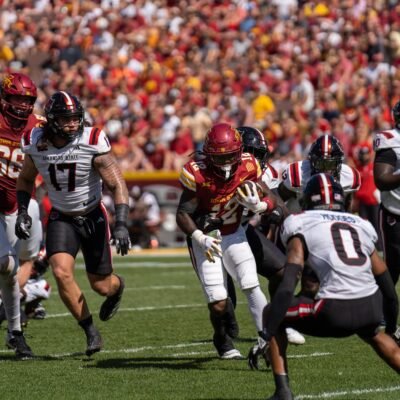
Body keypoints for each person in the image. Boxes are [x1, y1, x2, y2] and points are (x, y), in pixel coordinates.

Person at [249, 174, 400, 400]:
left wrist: (266, 333)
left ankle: (282, 391)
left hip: (333, 310)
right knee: (374, 334)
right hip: (370, 306)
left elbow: (288, 284)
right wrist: (391, 327)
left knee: (271, 312)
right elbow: (388, 289)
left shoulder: (299, 222)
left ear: (307, 200)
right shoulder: (361, 225)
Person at [15, 91, 131, 356]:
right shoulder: (35, 141)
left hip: (92, 215)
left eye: (76, 118)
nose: (73, 124)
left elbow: (117, 184)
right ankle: (90, 331)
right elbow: (25, 179)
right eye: (66, 119)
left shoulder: (91, 139)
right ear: (52, 120)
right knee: (60, 272)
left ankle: (117, 287)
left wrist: (122, 223)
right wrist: (22, 211)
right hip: (61, 217)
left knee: (101, 285)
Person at [176, 122, 276, 359]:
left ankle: (267, 339)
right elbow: (182, 213)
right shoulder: (197, 172)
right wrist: (199, 237)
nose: (225, 163)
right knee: (218, 301)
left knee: (251, 283)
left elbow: (270, 196)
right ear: (208, 155)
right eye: (219, 158)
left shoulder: (249, 165)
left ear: (239, 152)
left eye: (230, 156)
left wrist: (260, 205)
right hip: (207, 237)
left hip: (234, 233)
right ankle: (221, 339)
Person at [0, 72, 46, 358]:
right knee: (6, 265)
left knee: (10, 268)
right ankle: (15, 331)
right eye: (18, 99)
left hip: (15, 203)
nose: (24, 106)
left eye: (28, 100)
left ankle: (15, 332)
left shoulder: (39, 126)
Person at [373, 101, 400, 286]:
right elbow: (381, 180)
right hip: (395, 213)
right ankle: (386, 304)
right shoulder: (391, 139)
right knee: (393, 267)